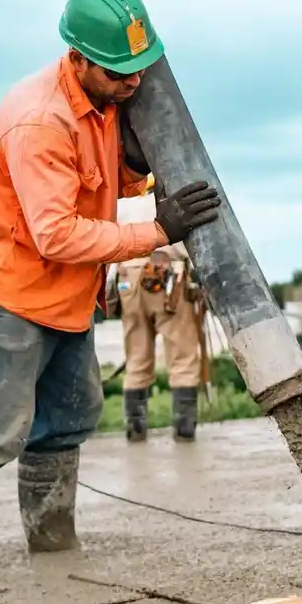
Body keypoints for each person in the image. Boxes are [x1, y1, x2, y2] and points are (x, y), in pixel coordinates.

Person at [0, 0, 221, 588]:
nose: (133, 83)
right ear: (80, 58)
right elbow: (57, 234)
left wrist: (135, 169)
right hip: (10, 292)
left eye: (140, 68)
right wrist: (156, 228)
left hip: (67, 294)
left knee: (71, 414)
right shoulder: (39, 120)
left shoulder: (105, 101)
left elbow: (97, 181)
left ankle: (52, 545)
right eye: (120, 72)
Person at [108, 176, 208, 442]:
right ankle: (184, 429)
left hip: (127, 278)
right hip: (168, 276)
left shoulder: (122, 201)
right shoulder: (172, 199)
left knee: (137, 356)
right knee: (183, 354)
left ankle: (135, 428)